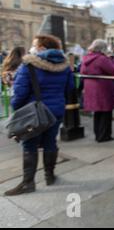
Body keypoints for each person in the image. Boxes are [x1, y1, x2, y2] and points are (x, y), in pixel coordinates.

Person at [4, 35, 73, 196]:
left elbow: (19, 94)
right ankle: (50, 176)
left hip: (33, 113)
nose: (32, 48)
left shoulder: (29, 65)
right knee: (50, 143)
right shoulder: (65, 65)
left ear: (42, 47)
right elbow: (69, 88)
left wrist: (17, 110)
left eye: (35, 45)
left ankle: (28, 182)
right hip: (56, 111)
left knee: (29, 146)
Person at [81, 39, 114, 142]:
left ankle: (98, 134)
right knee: (106, 113)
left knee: (97, 113)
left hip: (91, 88)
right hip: (103, 88)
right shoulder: (102, 59)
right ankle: (104, 136)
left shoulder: (86, 58)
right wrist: (113, 58)